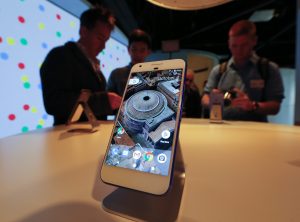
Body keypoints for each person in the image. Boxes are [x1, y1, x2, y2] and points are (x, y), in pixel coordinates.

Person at [40, 7, 122, 125]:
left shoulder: (94, 67)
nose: (103, 46)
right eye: (99, 38)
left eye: (106, 40)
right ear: (83, 31)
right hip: (68, 139)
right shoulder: (60, 55)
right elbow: (53, 102)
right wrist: (103, 101)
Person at [202, 20, 284, 122]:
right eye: (234, 46)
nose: (238, 50)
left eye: (244, 45)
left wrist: (253, 105)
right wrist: (213, 102)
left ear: (254, 41)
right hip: (223, 130)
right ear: (229, 44)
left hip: (254, 131)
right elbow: (205, 97)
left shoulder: (268, 69)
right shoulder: (219, 70)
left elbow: (275, 106)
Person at [107, 29, 151, 96]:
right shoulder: (116, 74)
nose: (138, 54)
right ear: (128, 49)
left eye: (142, 50)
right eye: (134, 49)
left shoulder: (152, 74)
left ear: (148, 52)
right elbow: (109, 100)